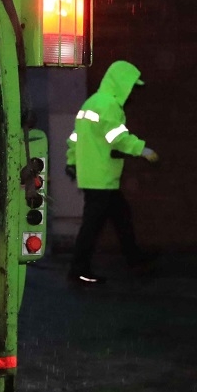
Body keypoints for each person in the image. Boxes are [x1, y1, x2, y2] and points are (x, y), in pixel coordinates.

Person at [66, 59, 159, 285]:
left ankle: (135, 260)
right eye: (130, 85)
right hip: (102, 176)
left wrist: (72, 161)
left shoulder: (91, 103)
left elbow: (75, 138)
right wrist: (142, 149)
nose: (131, 91)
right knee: (94, 225)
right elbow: (117, 139)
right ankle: (79, 270)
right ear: (121, 83)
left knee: (120, 216)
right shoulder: (109, 106)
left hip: (93, 175)